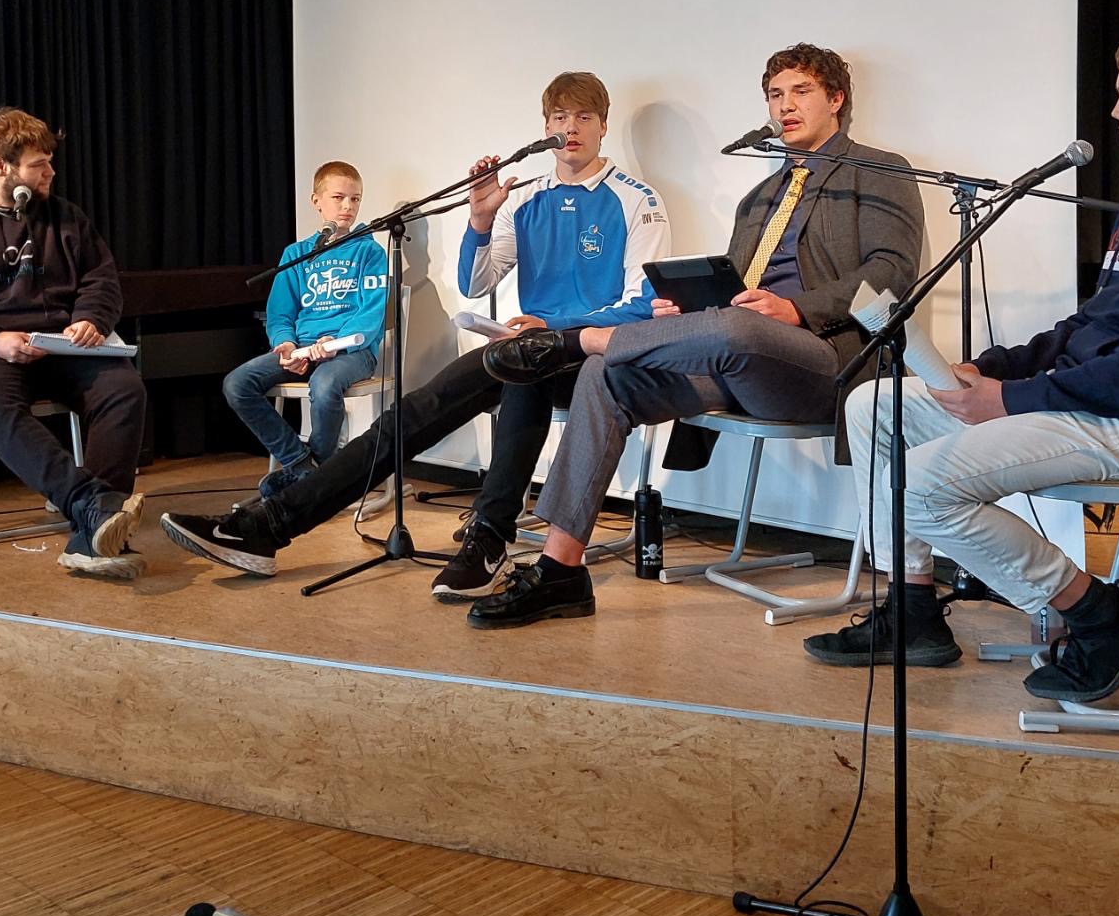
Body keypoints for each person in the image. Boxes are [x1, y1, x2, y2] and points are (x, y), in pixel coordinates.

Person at [802, 23, 1119, 706]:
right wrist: (992, 368)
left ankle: (1100, 614)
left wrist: (1013, 398)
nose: (1116, 112)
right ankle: (913, 612)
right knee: (873, 404)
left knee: (920, 487)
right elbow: (1091, 326)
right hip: (1100, 404)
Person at [159, 72, 671, 597]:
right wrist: (478, 220)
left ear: (603, 125)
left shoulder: (637, 199)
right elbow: (477, 284)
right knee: (419, 409)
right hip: (531, 351)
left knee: (524, 375)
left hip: (592, 358)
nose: (571, 128)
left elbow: (642, 307)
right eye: (561, 117)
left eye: (584, 117)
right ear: (544, 126)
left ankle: (488, 534)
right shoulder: (526, 198)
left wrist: (554, 325)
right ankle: (274, 525)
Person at [474, 44, 925, 628]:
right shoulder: (758, 197)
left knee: (736, 324)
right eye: (774, 95)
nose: (783, 107)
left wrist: (794, 309)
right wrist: (682, 313)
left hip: (825, 360)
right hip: (738, 359)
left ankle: (575, 338)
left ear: (836, 99)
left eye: (800, 92)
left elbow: (892, 276)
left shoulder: (879, 171)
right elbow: (735, 294)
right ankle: (561, 572)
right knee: (607, 372)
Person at [0, 107, 147, 580]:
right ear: (1, 166)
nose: (51, 172)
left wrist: (90, 319)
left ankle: (90, 537)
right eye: (40, 164)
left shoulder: (66, 217)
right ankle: (89, 503)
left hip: (61, 342)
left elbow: (101, 279)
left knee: (124, 391)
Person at [223, 162, 390, 496]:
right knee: (237, 384)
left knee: (324, 383)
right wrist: (285, 345)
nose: (348, 207)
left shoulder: (369, 252)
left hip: (350, 351)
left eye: (355, 199)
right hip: (302, 348)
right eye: (339, 197)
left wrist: (335, 342)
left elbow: (372, 313)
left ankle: (311, 483)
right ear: (316, 200)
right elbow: (280, 314)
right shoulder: (296, 254)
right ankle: (306, 469)